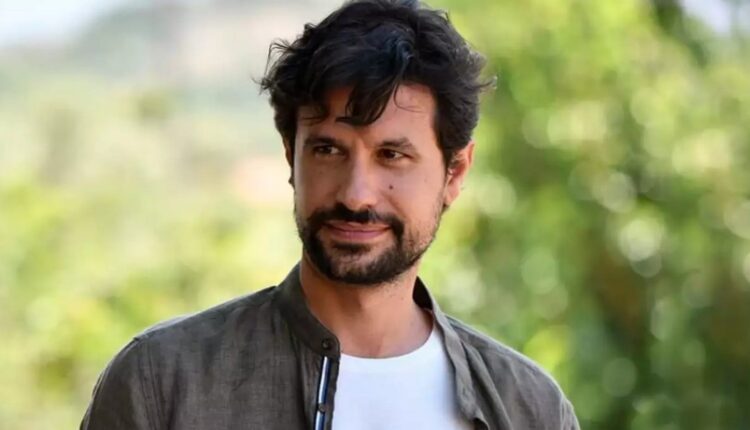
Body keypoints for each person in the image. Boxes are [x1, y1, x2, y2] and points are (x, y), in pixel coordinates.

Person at [81, 0, 579, 429]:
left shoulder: (528, 408)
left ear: (455, 172)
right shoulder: (164, 382)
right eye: (327, 150)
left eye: (392, 155)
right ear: (290, 157)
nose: (356, 195)